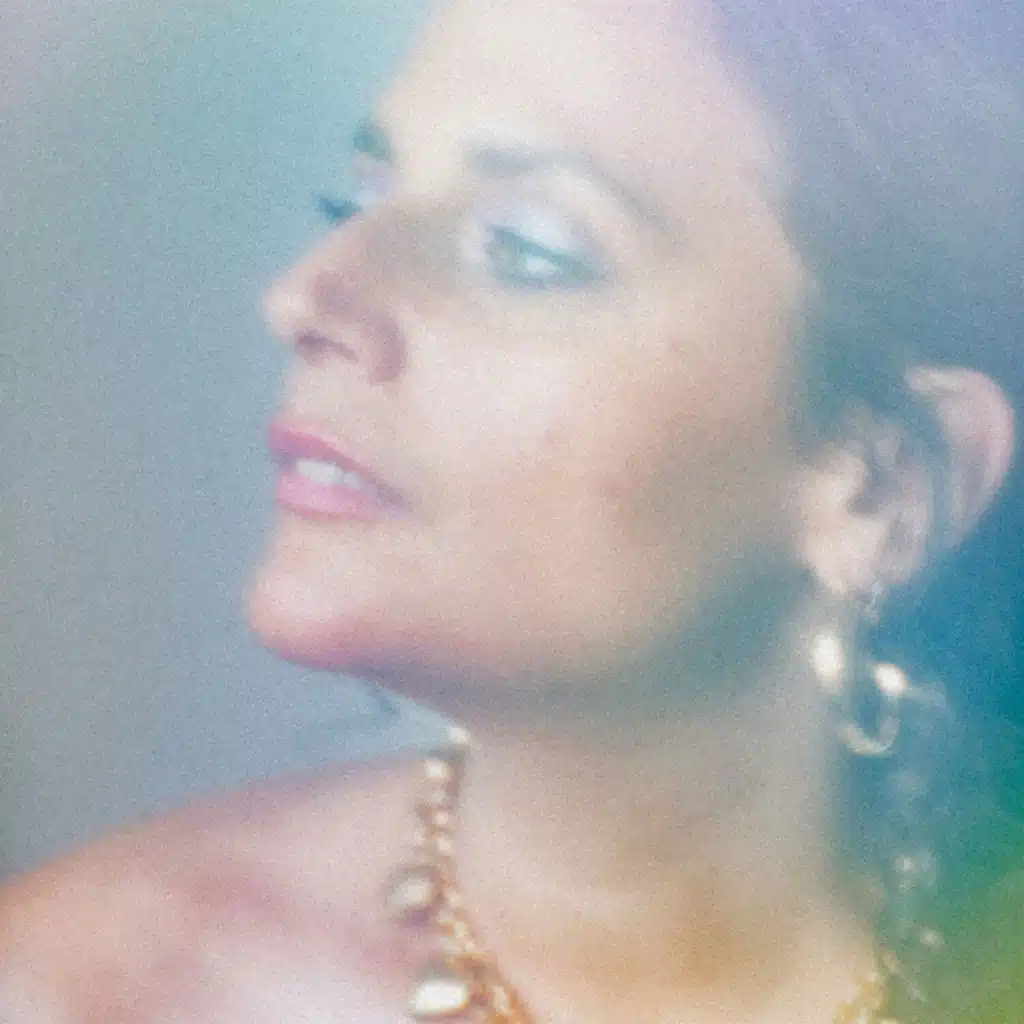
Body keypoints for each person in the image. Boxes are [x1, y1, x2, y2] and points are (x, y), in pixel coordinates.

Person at [1, 0, 1022, 1020]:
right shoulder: (76, 989)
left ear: (882, 485)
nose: (303, 293)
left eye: (526, 250)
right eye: (358, 198)